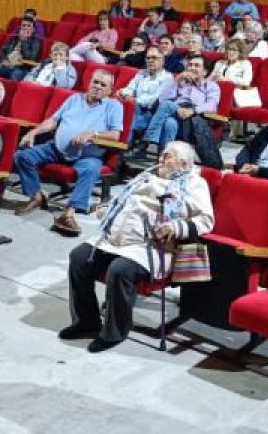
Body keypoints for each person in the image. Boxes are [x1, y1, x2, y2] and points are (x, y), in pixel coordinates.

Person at [60, 141, 213, 353]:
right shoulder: (147, 175)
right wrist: (109, 209)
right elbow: (124, 199)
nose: (161, 159)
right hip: (115, 239)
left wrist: (175, 226)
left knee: (119, 270)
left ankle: (114, 332)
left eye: (168, 156)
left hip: (150, 247)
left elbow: (206, 220)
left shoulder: (194, 184)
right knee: (78, 257)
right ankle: (87, 321)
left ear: (184, 163)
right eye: (162, 154)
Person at [13, 69, 124, 235]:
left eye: (103, 85)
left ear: (110, 90)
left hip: (87, 155)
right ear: (89, 83)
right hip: (57, 149)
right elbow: (53, 121)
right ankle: (37, 197)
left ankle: (69, 214)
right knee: (22, 156)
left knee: (91, 168)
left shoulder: (114, 106)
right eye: (95, 82)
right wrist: (33, 132)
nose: (97, 87)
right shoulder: (74, 99)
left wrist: (93, 135)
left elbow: (115, 134)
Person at [143, 54, 220, 152]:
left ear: (205, 72)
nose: (192, 68)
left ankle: (146, 141)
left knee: (167, 105)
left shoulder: (211, 86)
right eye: (190, 65)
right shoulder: (181, 82)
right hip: (176, 114)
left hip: (193, 121)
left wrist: (193, 110)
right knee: (169, 123)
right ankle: (164, 158)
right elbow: (162, 99)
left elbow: (212, 105)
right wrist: (177, 80)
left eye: (196, 66)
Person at [119, 47, 174, 144]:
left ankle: (125, 145)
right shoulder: (141, 73)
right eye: (148, 58)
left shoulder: (168, 78)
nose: (150, 61)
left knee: (128, 115)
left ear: (162, 60)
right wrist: (122, 93)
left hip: (151, 113)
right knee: (121, 105)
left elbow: (155, 99)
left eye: (154, 58)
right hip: (136, 108)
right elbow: (130, 88)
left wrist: (134, 100)